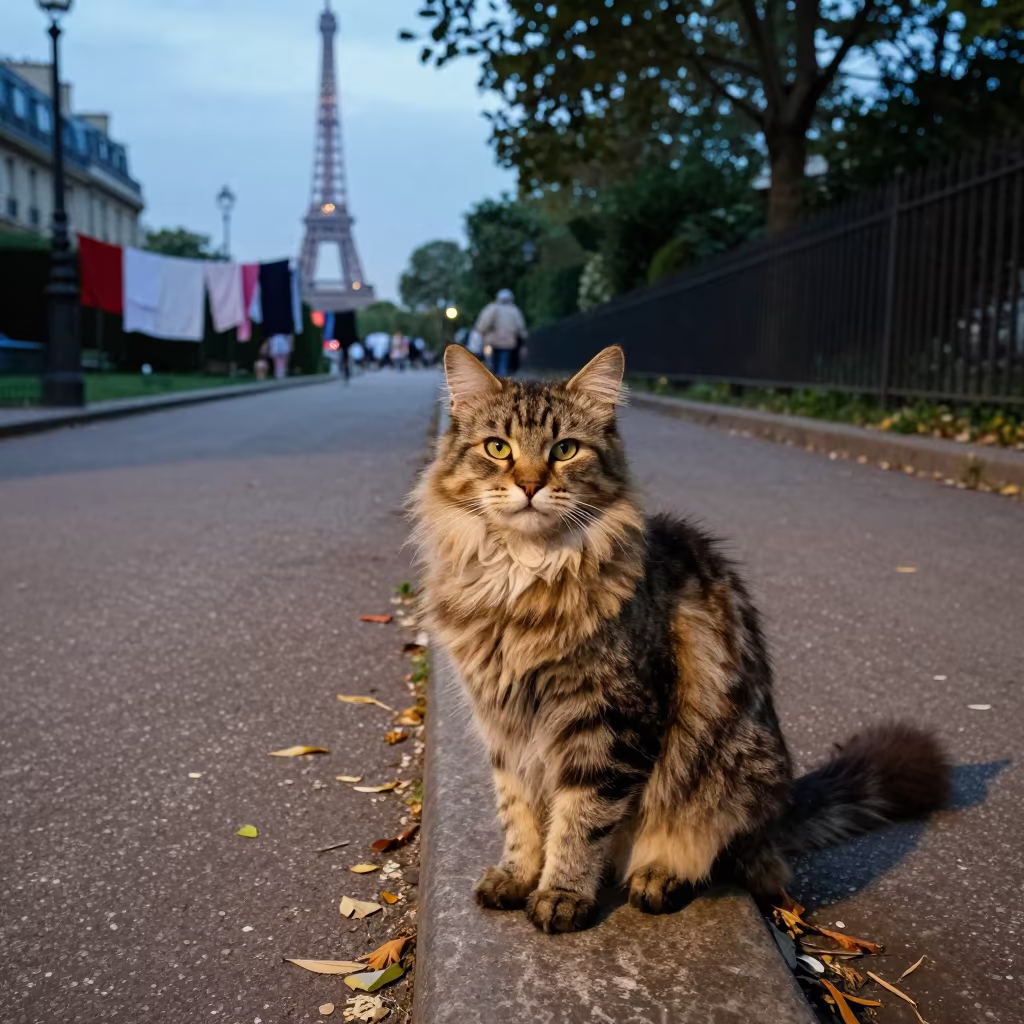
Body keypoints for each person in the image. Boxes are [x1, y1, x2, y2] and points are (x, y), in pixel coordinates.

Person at [474, 288, 526, 377]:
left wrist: (481, 331)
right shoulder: (514, 311)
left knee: (493, 362)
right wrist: (522, 337)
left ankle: (493, 379)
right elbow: (520, 327)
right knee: (503, 363)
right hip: (508, 343)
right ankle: (502, 381)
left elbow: (484, 322)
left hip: (493, 341)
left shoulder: (492, 308)